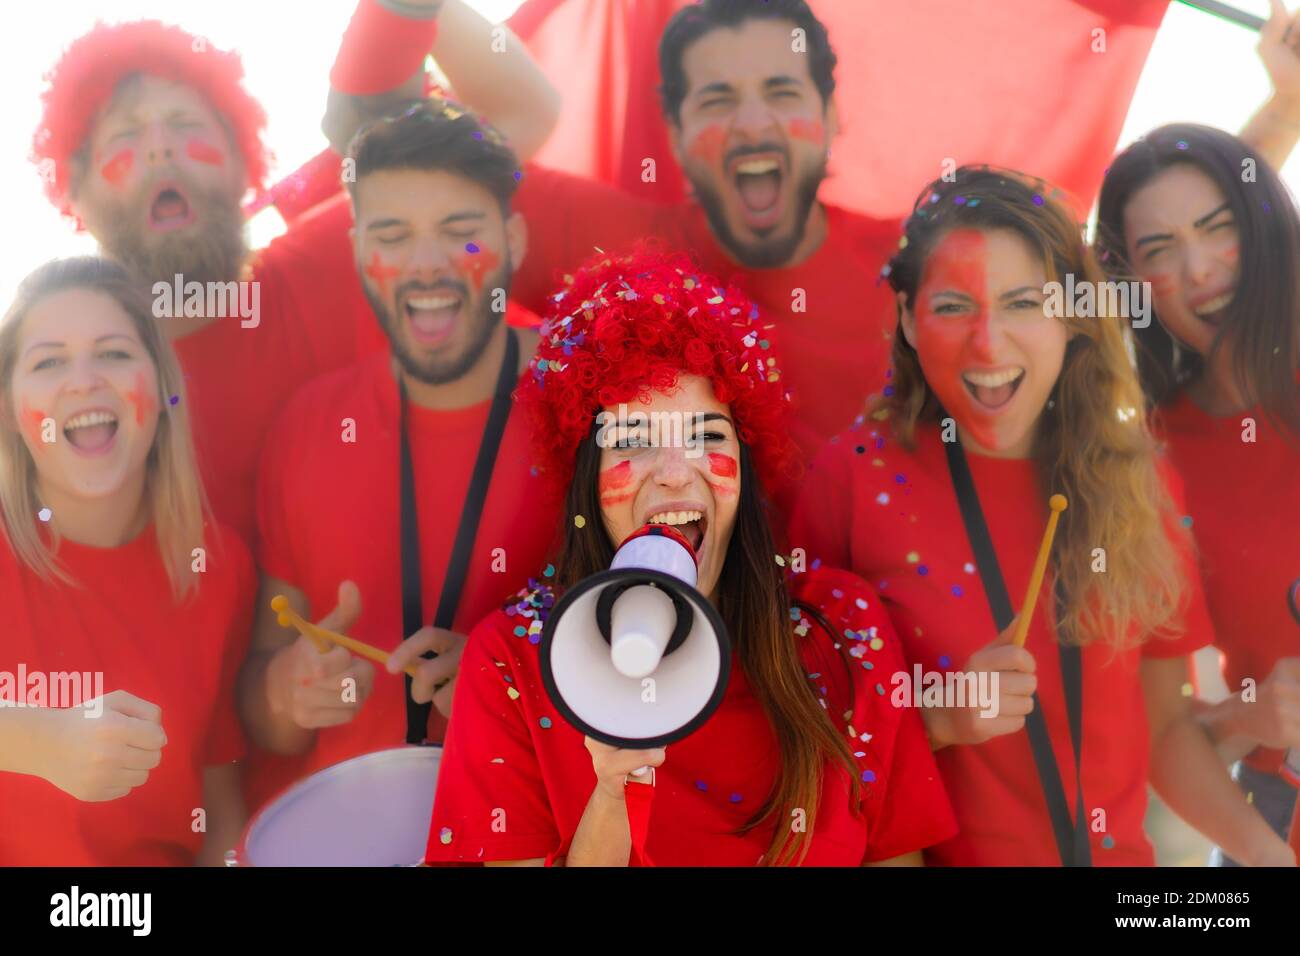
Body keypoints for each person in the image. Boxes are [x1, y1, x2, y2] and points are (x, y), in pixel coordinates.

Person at [790, 167, 1295, 866]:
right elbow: (801, 736)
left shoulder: (1141, 476)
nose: (990, 345)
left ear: (1070, 313)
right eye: (954, 305)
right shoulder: (848, 478)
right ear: (907, 318)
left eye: (1023, 302)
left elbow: (1168, 725)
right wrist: (937, 720)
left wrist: (1269, 859)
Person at [424, 249, 956, 866]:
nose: (677, 474)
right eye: (633, 441)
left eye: (707, 436)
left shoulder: (846, 631)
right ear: (587, 480)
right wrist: (612, 792)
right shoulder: (511, 662)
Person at [29, 3, 557, 544]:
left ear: (245, 165)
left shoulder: (352, 250)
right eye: (125, 138)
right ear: (76, 192)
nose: (161, 146)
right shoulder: (65, 393)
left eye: (186, 124)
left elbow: (524, 113)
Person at [236, 101, 555, 810]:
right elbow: (266, 717)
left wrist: (516, 669)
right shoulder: (307, 426)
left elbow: (684, 644)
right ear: (357, 251)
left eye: (459, 232)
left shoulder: (598, 402)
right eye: (392, 235)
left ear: (513, 240)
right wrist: (289, 690)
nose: (426, 265)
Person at [0, 258, 252, 865]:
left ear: (164, 391)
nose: (83, 381)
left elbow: (218, 798)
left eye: (113, 353)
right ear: (10, 408)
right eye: (48, 361)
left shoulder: (218, 567)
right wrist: (40, 742)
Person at [1097, 123, 1300, 863]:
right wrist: (1252, 715)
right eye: (1158, 251)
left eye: (1219, 229)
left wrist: (1284, 98)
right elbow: (1163, 728)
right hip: (1276, 816)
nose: (1199, 268)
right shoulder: (1147, 460)